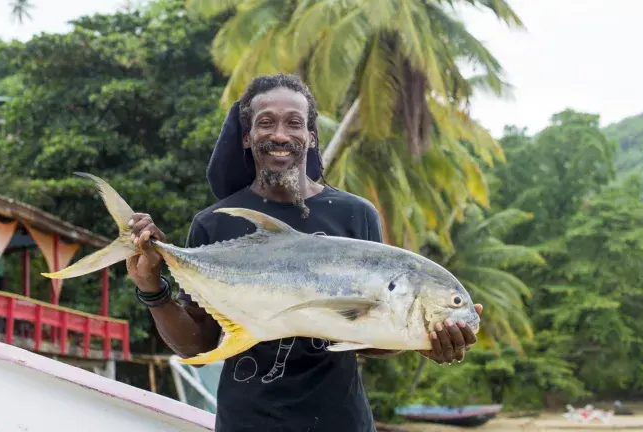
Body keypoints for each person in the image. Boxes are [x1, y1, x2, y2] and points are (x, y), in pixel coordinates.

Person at [125, 73, 482, 431]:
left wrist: (422, 339)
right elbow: (198, 347)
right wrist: (152, 288)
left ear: (310, 136)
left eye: (294, 123)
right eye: (266, 123)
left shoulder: (356, 214)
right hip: (247, 423)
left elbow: (370, 337)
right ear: (247, 137)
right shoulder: (214, 224)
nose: (280, 134)